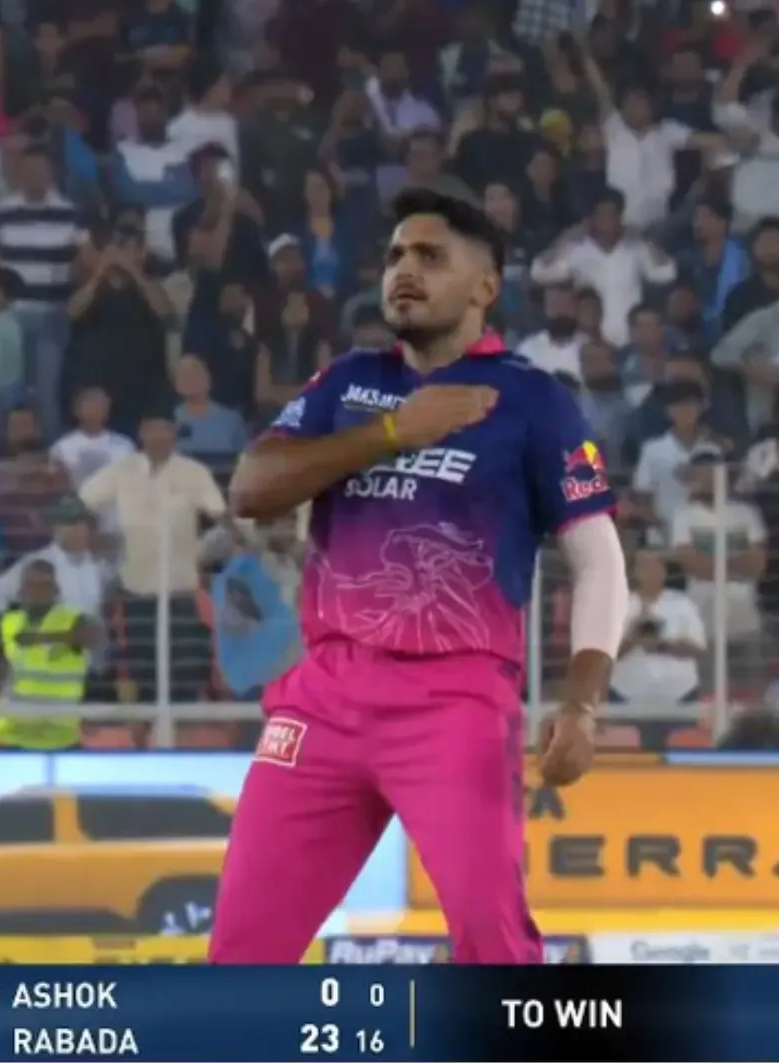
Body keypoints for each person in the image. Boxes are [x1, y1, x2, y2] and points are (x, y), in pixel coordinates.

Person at [211, 184, 629, 964]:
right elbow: (251, 488)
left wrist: (582, 703)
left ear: (484, 287)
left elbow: (599, 559)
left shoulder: (533, 400)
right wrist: (393, 432)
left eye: (431, 257)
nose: (404, 270)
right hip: (323, 693)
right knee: (240, 952)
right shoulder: (348, 382)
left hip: (455, 696)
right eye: (397, 255)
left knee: (491, 940)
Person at [0, 559, 102, 750]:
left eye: (43, 585)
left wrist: (43, 638)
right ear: (21, 590)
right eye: (31, 585)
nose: (37, 591)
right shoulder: (9, 622)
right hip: (13, 736)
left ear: (56, 590)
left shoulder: (73, 620)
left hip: (59, 737)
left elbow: (93, 636)